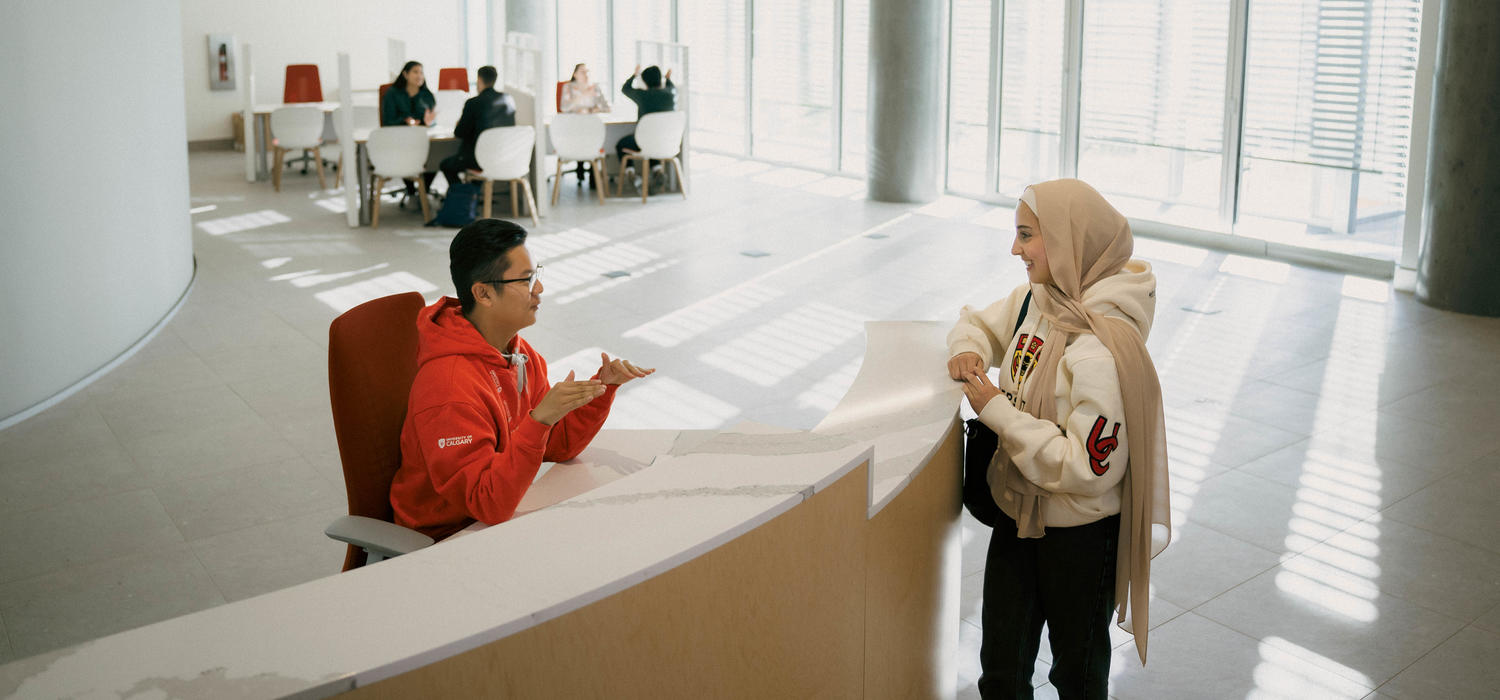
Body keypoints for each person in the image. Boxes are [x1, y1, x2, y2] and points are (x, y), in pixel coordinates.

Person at [946, 179, 1170, 698]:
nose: (1015, 249)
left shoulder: (1100, 347)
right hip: (1018, 515)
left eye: (1026, 235)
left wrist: (997, 411)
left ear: (1070, 243)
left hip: (1079, 539)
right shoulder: (1037, 300)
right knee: (1000, 670)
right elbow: (979, 323)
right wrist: (970, 349)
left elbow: (1088, 469)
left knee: (1077, 675)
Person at [389, 219, 655, 540]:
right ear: (484, 293)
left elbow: (558, 444)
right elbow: (487, 503)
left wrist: (602, 388)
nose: (538, 290)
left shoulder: (516, 352)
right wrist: (539, 420)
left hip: (495, 519)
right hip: (443, 538)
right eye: (526, 280)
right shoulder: (449, 387)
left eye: (536, 276)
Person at [439, 65, 516, 190]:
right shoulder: (508, 100)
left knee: (446, 165)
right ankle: (473, 193)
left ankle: (466, 196)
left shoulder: (473, 103)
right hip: (503, 155)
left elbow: (459, 133)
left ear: (479, 80)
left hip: (478, 159)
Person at [381, 60, 438, 202]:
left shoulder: (427, 95)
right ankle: (412, 191)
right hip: (399, 138)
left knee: (437, 155)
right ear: (405, 74)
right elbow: (388, 121)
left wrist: (428, 122)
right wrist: (405, 122)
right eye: (415, 72)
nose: (419, 76)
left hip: (423, 138)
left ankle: (423, 191)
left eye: (421, 72)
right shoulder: (392, 93)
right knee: (407, 155)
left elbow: (431, 119)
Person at [616, 64, 677, 179]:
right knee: (653, 141)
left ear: (644, 81)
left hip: (645, 142)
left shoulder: (642, 95)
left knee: (622, 144)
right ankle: (657, 170)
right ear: (660, 79)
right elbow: (671, 87)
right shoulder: (670, 93)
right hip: (667, 141)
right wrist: (668, 79)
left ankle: (630, 172)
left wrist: (634, 75)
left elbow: (625, 89)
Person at [560, 63, 610, 188]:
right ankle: (581, 166)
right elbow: (564, 107)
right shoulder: (568, 87)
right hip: (573, 127)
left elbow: (606, 108)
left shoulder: (595, 88)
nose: (586, 74)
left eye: (588, 71)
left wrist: (595, 109)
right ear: (575, 74)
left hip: (591, 125)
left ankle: (594, 177)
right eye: (583, 71)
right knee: (582, 136)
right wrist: (583, 96)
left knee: (593, 138)